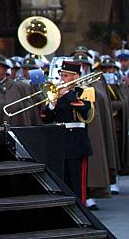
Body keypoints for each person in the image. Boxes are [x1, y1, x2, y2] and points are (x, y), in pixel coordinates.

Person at [41, 61, 93, 204]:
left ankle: (83, 214)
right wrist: (52, 103)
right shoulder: (56, 92)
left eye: (66, 75)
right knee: (62, 182)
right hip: (59, 142)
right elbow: (45, 118)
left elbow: (84, 109)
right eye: (61, 75)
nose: (62, 78)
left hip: (76, 142)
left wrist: (68, 93)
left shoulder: (84, 91)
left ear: (75, 76)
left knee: (77, 184)